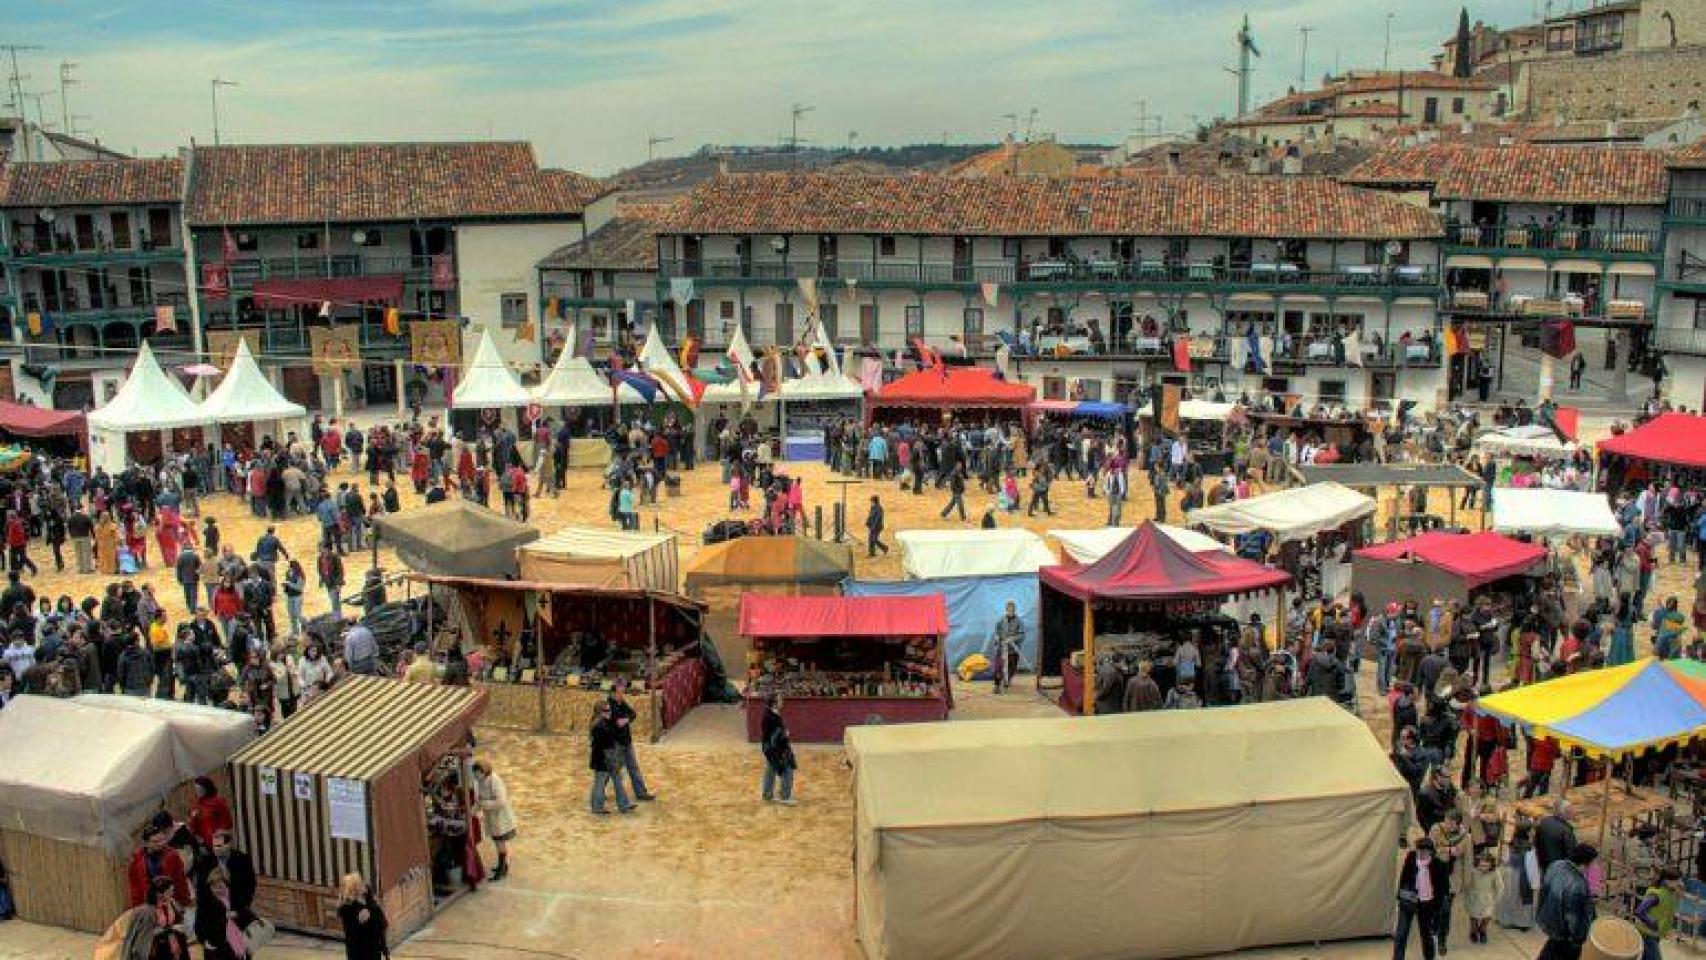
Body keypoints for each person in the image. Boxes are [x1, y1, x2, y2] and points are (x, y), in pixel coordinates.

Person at [1537, 844, 1598, 960]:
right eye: (1593, 863)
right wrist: (1578, 939)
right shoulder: (1578, 885)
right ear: (1586, 863)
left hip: (1550, 921)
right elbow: (1573, 918)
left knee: (1549, 952)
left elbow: (1544, 890)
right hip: (1566, 935)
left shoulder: (1556, 865)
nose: (1594, 866)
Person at [1394, 836, 1449, 960]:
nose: (1420, 853)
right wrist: (1401, 897)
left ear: (1431, 851)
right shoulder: (1411, 857)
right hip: (1409, 901)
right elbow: (1403, 877)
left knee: (1426, 935)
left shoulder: (1438, 864)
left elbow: (1442, 889)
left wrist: (1436, 909)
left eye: (1424, 851)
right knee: (1401, 934)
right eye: (1418, 850)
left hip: (1427, 905)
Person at [607, 677, 656, 802]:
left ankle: (641, 793)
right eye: (619, 693)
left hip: (626, 741)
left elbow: (632, 714)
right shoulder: (609, 706)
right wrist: (623, 719)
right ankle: (600, 792)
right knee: (613, 770)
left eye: (622, 692)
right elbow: (616, 722)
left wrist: (626, 719)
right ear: (613, 693)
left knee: (633, 768)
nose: (621, 695)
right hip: (616, 743)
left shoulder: (621, 702)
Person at [127, 824, 191, 908]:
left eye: (162, 840)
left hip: (170, 900)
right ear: (146, 843)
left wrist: (185, 900)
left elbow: (180, 879)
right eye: (155, 842)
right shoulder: (137, 860)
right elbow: (134, 886)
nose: (160, 844)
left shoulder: (172, 855)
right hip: (148, 903)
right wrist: (136, 906)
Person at [473, 761, 517, 881]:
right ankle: (502, 866)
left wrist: (484, 804)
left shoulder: (495, 781)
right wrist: (472, 812)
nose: (476, 776)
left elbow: (501, 801)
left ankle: (502, 869)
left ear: (483, 772)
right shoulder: (479, 782)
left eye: (477, 773)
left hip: (500, 818)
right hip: (492, 818)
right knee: (497, 842)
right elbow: (479, 801)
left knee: (500, 843)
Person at [588, 700, 634, 814]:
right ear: (600, 712)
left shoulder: (603, 723)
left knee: (617, 781)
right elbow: (608, 741)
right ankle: (597, 807)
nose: (609, 712)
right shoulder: (599, 726)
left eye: (609, 710)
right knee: (600, 783)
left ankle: (624, 805)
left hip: (608, 758)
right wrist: (618, 727)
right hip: (603, 760)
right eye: (606, 710)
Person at [1497, 818, 1543, 931]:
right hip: (1523, 875)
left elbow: (1506, 859)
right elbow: (1531, 867)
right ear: (1527, 832)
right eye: (1531, 829)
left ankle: (1506, 919)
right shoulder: (1529, 848)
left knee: (1508, 897)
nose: (1533, 832)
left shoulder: (1512, 843)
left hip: (1510, 873)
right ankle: (1522, 922)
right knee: (1523, 899)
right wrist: (1536, 883)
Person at [1633, 867, 1682, 960]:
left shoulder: (1668, 893)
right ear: (1667, 881)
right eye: (1677, 881)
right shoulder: (1656, 895)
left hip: (1654, 934)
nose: (1679, 883)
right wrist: (1653, 923)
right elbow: (1639, 911)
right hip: (1646, 934)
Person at [338, 873, 388, 960]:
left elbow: (381, 925)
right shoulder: (347, 908)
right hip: (361, 950)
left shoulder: (369, 903)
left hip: (369, 949)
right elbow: (352, 931)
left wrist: (384, 948)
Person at [760, 694, 797, 805]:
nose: (782, 701)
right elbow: (775, 736)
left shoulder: (769, 714)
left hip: (770, 748)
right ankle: (785, 796)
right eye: (780, 700)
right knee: (787, 768)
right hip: (777, 749)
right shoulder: (772, 717)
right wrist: (785, 734)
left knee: (771, 769)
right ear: (774, 703)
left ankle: (767, 795)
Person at [1464, 851, 1503, 945]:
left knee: (1486, 917)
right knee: (1473, 916)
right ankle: (1473, 931)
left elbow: (1500, 886)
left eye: (1486, 866)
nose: (1483, 868)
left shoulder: (1495, 872)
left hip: (1488, 898)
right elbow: (1467, 882)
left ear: (1491, 865)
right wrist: (1467, 891)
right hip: (1474, 897)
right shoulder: (1473, 871)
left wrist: (1496, 898)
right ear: (1477, 863)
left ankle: (1483, 930)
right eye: (1481, 866)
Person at [188, 775, 235, 850]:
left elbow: (227, 822)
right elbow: (193, 828)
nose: (198, 792)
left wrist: (219, 838)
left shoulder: (218, 802)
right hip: (205, 844)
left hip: (219, 840)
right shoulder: (195, 806)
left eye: (200, 789)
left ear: (206, 788)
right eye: (196, 789)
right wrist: (193, 819)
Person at [988, 600, 1025, 694]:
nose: (1010, 610)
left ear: (1014, 609)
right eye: (1008, 609)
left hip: (1013, 650)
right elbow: (997, 631)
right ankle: (996, 685)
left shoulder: (1019, 621)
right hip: (1001, 648)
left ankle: (1007, 680)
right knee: (998, 666)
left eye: (1012, 609)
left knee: (1012, 668)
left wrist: (1012, 639)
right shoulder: (1001, 620)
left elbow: (1022, 635)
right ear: (1006, 609)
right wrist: (997, 637)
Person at [1535, 799, 1577, 876]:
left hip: (1545, 866)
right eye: (1570, 811)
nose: (1572, 813)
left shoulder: (1544, 822)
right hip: (1561, 870)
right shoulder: (1566, 830)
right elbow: (1571, 853)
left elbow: (1537, 843)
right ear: (1563, 813)